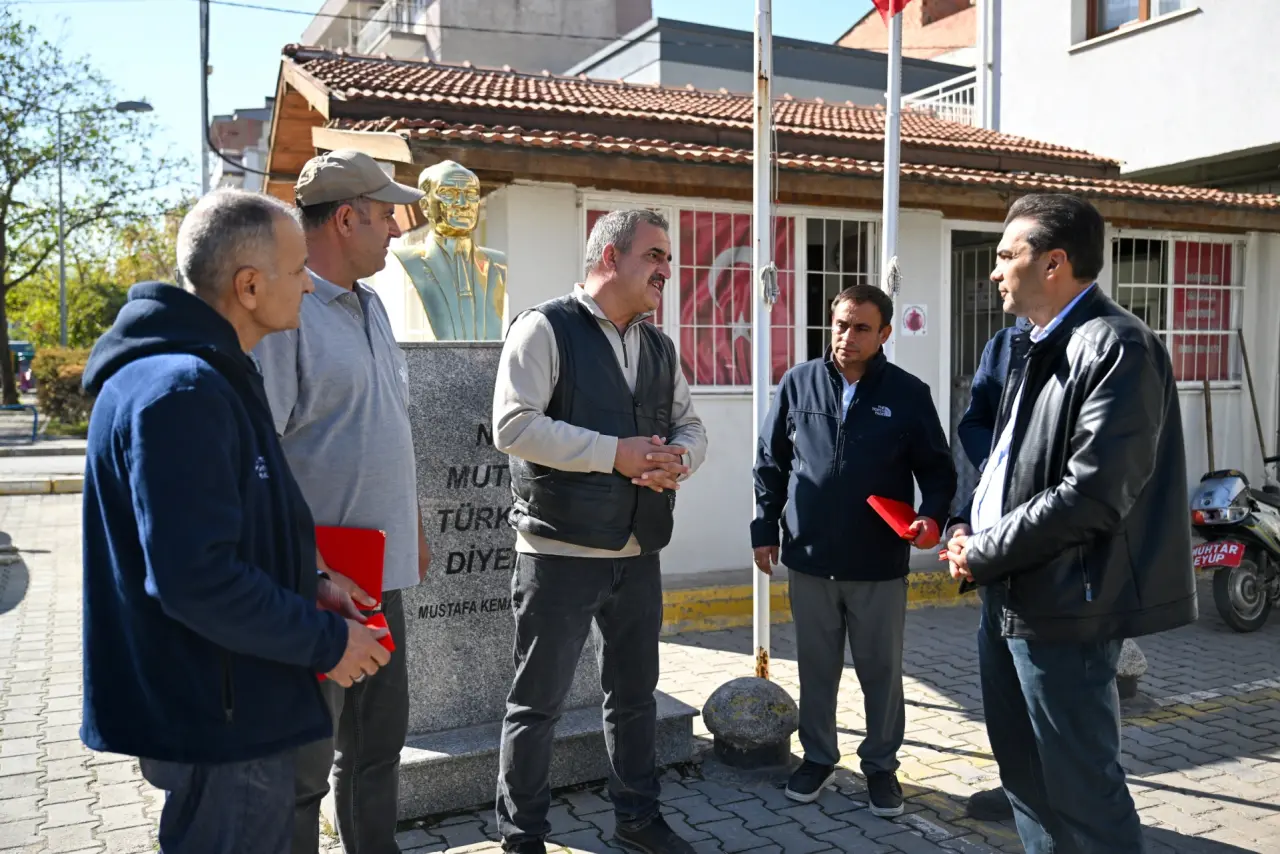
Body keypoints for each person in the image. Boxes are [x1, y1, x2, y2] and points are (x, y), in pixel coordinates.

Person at [79, 189, 392, 854]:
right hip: (226, 717)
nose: (309, 284)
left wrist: (309, 582)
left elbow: (229, 530)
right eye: (298, 268)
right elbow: (196, 579)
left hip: (233, 701)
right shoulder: (183, 390)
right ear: (249, 285)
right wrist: (326, 642)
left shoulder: (210, 374)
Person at [942, 193, 1197, 854]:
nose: (994, 271)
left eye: (1006, 255)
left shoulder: (1117, 346)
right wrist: (967, 526)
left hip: (1067, 604)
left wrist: (986, 548)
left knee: (1081, 788)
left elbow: (1094, 493)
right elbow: (1007, 466)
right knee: (1026, 776)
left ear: (1054, 262)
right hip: (1010, 590)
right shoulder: (1033, 345)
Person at [492, 209, 708, 854]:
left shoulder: (658, 347)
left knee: (635, 699)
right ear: (610, 258)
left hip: (639, 551)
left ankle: (639, 821)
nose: (667, 269)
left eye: (668, 258)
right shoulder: (543, 328)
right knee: (538, 706)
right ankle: (522, 835)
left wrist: (680, 460)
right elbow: (513, 425)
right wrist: (614, 452)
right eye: (655, 256)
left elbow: (690, 425)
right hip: (558, 552)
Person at [252, 149, 431, 854]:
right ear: (347, 217)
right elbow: (260, 459)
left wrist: (411, 524)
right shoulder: (285, 316)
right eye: (386, 214)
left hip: (382, 575)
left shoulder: (375, 305)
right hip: (318, 588)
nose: (396, 228)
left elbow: (391, 426)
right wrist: (315, 571)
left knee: (378, 749)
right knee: (302, 771)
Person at [751, 284, 956, 814]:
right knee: (817, 670)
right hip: (810, 558)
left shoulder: (909, 394)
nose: (847, 336)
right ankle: (818, 757)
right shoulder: (798, 384)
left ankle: (882, 768)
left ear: (885, 334)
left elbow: (938, 471)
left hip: (877, 563)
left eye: (862, 327)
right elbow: (771, 463)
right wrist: (764, 528)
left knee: (881, 674)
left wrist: (931, 518)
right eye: (840, 324)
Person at [954, 316, 1029, 823]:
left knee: (1059, 708)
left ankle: (1068, 805)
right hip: (995, 561)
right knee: (1003, 695)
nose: (996, 272)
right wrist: (968, 515)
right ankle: (1019, 789)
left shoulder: (1102, 342)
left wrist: (1021, 473)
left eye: (1007, 256)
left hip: (1059, 571)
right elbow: (975, 422)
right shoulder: (1005, 344)